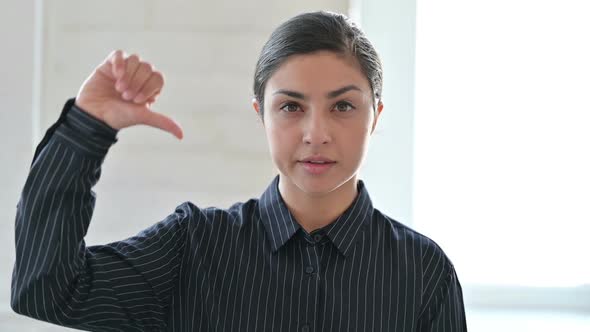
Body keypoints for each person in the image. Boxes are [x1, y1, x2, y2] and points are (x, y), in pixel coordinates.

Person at [11, 11, 467, 332]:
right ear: (260, 114)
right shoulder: (192, 246)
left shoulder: (424, 273)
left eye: (343, 106)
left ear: (376, 115)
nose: (316, 133)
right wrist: (86, 128)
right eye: (290, 106)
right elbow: (46, 289)